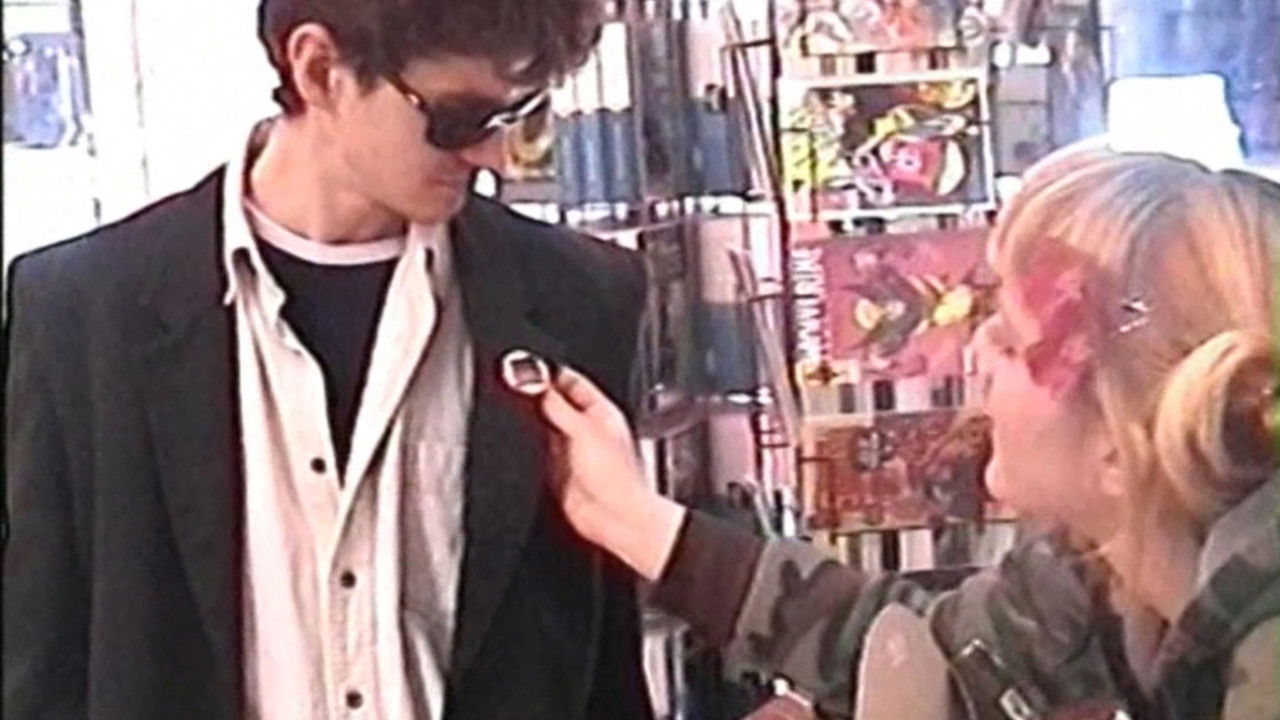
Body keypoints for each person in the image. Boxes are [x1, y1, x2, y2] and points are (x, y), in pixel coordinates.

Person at [3, 1, 654, 718]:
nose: (493, 156)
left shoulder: (580, 297)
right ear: (317, 69)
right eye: (458, 120)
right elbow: (41, 665)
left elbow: (603, 669)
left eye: (519, 116)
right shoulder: (81, 313)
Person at [532, 147, 1280, 720]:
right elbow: (933, 655)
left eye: (1011, 341)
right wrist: (635, 520)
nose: (975, 352)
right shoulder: (1106, 572)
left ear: (1122, 445)